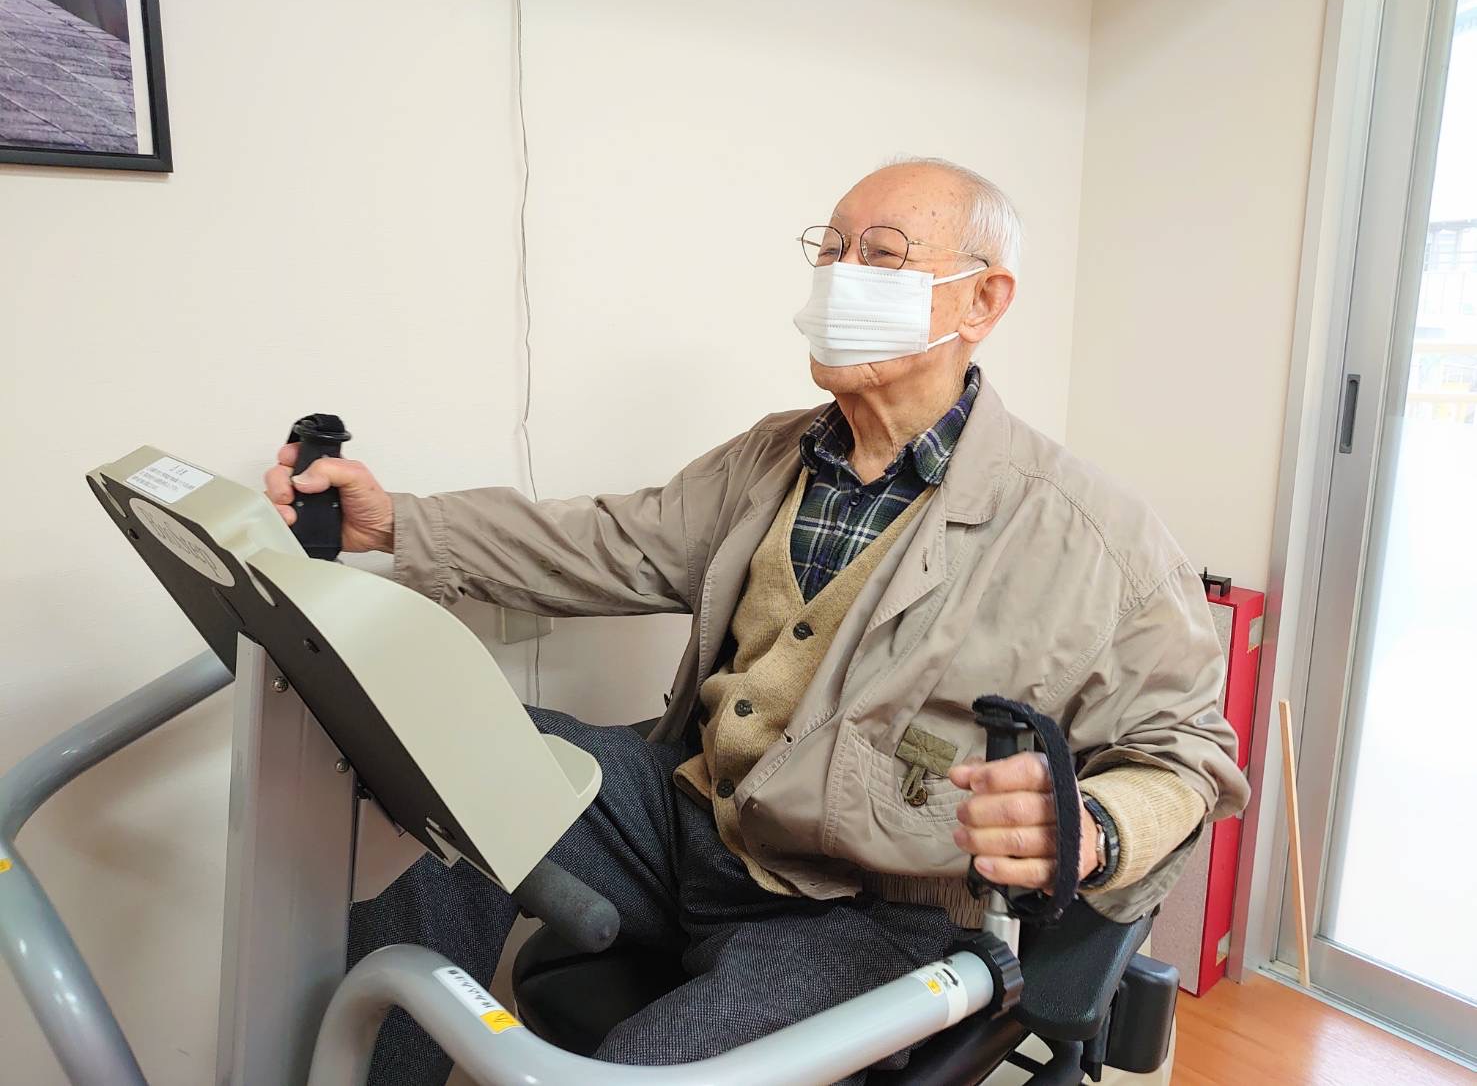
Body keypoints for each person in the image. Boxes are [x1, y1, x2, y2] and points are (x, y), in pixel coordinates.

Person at [264, 157, 1249, 1084]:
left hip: (863, 912)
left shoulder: (1090, 535)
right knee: (450, 757)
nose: (841, 275)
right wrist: (395, 524)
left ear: (982, 301)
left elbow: (1189, 754)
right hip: (689, 818)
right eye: (832, 249)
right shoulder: (774, 456)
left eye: (882, 255)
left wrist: (1095, 828)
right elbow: (604, 541)